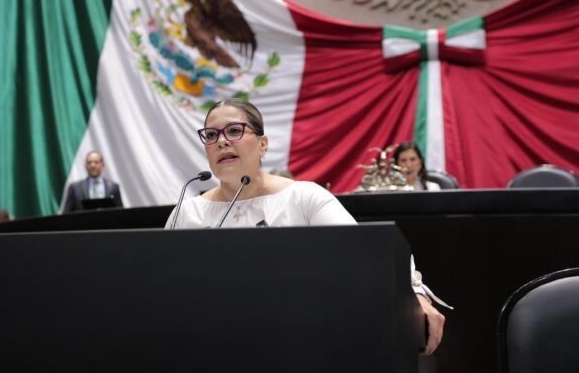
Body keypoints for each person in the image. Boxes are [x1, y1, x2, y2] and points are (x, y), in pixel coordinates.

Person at [165, 98, 447, 355]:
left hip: (299, 343)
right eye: (211, 135)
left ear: (263, 144)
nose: (222, 142)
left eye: (234, 131)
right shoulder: (188, 212)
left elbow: (372, 249)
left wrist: (417, 295)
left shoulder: (303, 197)